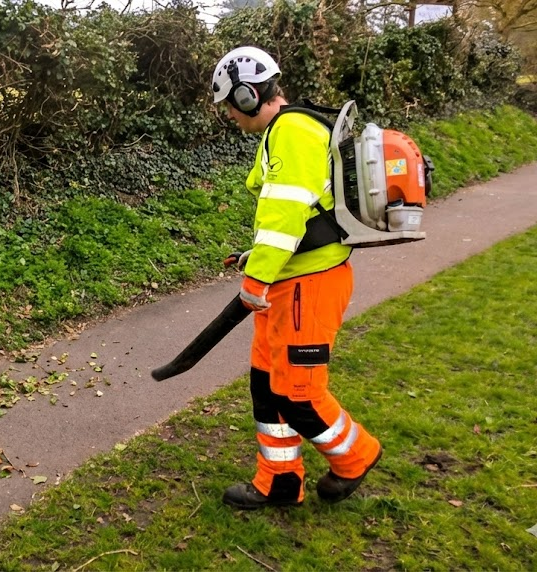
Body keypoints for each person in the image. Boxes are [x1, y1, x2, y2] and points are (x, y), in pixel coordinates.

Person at [210, 46, 382, 509]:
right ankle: (280, 482)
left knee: (298, 394)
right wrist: (258, 260)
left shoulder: (292, 132)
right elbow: (294, 218)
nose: (229, 114)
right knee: (267, 385)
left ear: (248, 96)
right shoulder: (286, 131)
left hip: (310, 286)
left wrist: (256, 279)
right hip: (290, 282)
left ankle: (357, 456)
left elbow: (283, 214)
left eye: (230, 103)